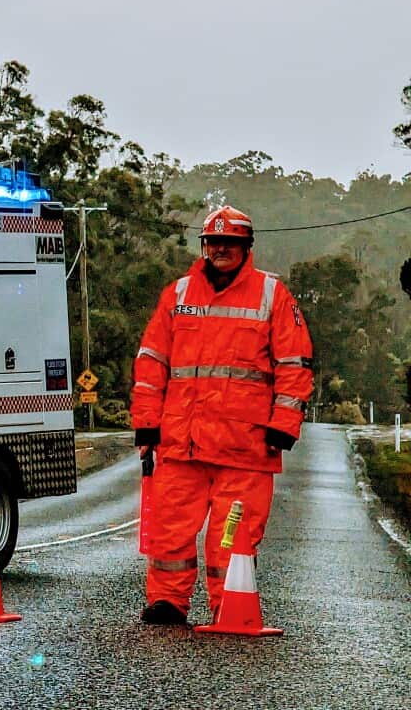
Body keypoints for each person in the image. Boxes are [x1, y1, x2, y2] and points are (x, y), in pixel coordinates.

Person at [131, 205, 314, 625]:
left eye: (229, 243)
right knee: (170, 530)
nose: (220, 249)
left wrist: (284, 425)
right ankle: (167, 601)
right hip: (182, 443)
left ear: (247, 246)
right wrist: (146, 423)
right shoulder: (178, 295)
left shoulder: (272, 295)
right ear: (204, 246)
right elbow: (151, 362)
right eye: (213, 242)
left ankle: (230, 604)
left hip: (245, 448)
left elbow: (295, 364)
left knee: (232, 537)